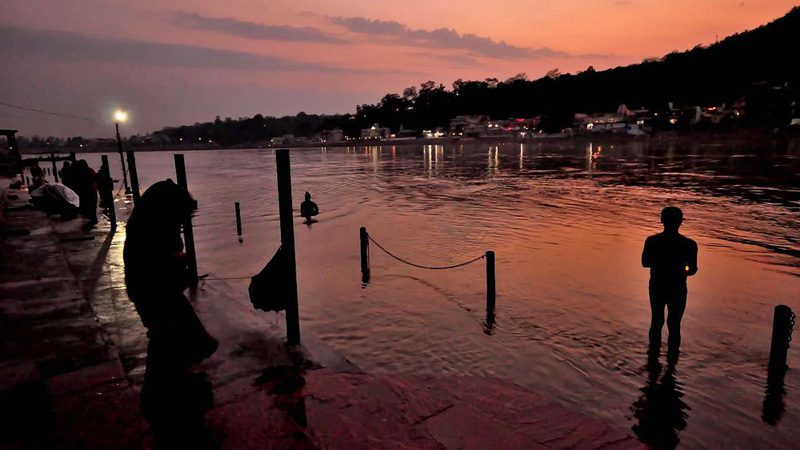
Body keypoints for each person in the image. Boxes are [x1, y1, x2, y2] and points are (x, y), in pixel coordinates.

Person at [642, 206, 698, 362]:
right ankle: (672, 362)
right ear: (681, 222)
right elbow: (693, 269)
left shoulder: (652, 241)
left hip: (657, 285)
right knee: (674, 324)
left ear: (662, 220)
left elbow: (645, 263)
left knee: (656, 321)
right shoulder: (690, 244)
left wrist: (661, 262)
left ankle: (653, 357)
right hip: (678, 287)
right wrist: (681, 269)